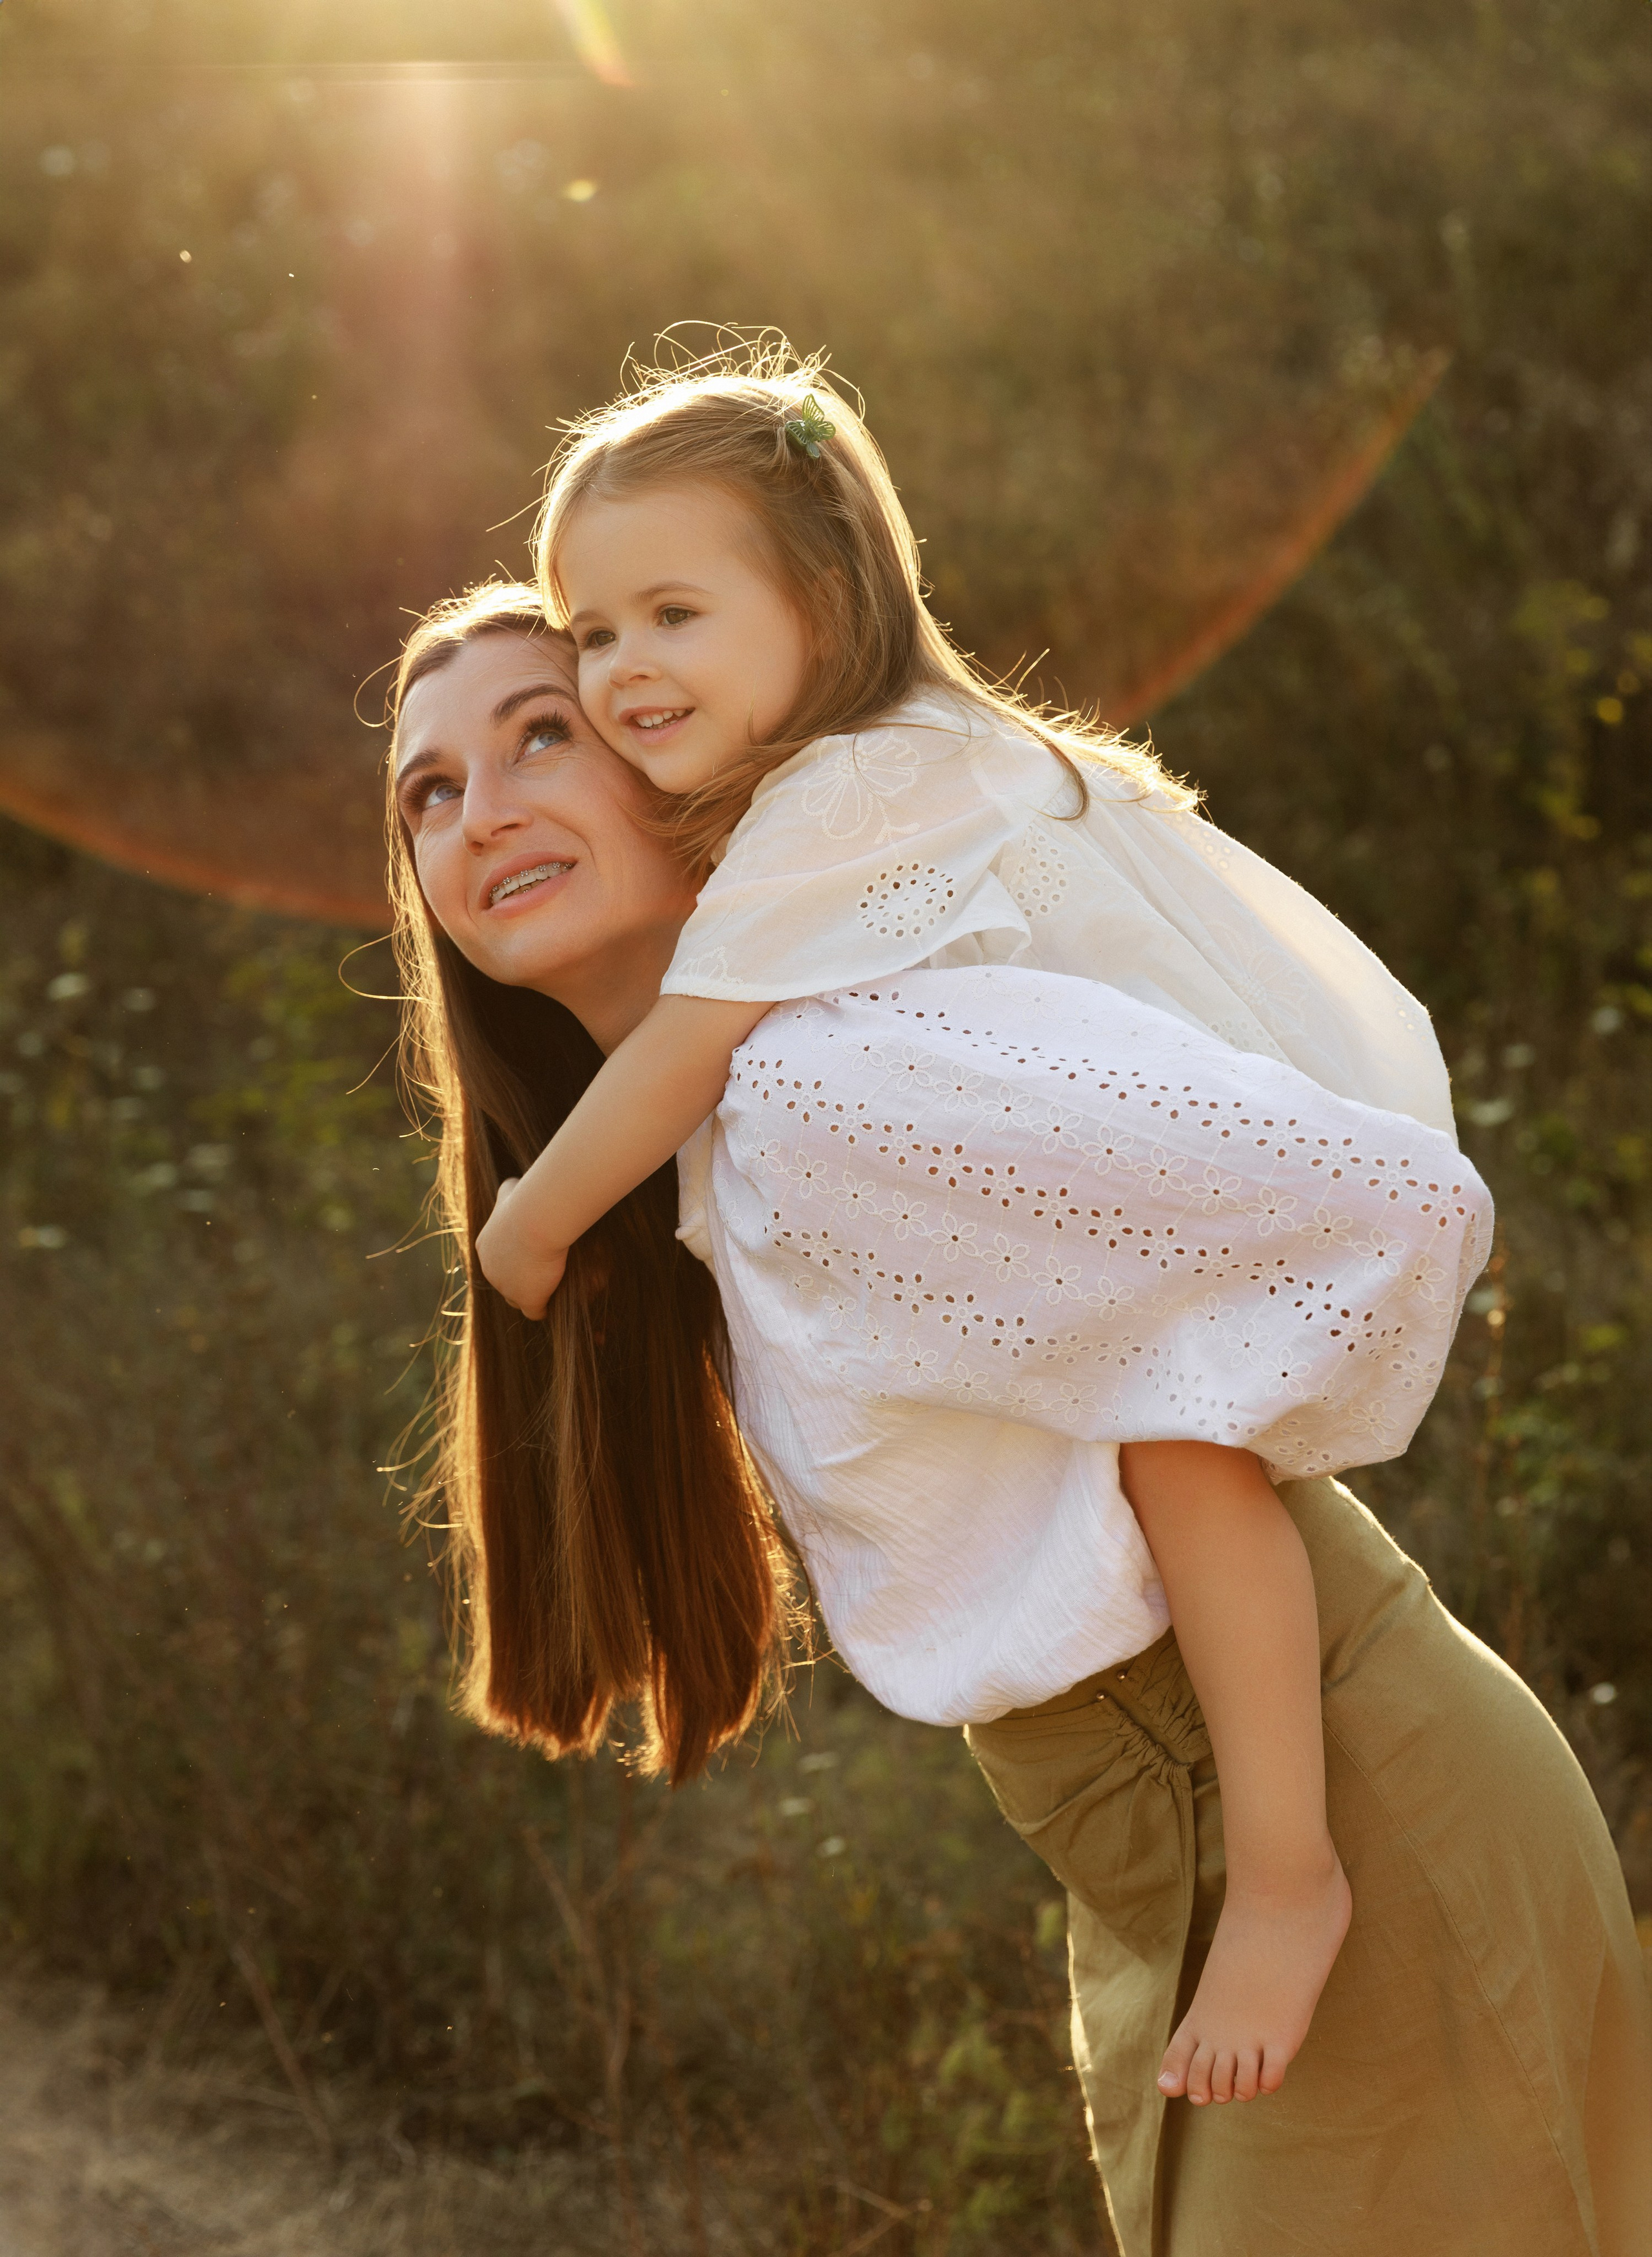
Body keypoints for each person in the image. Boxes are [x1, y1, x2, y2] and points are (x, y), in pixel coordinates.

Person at [385, 589, 1650, 2255]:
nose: (484, 812)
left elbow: (1339, 1220)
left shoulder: (817, 1092)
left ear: (670, 757)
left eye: (543, 730)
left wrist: (1279, 1853)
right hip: (1170, 1859)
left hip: (1326, 1818)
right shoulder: (704, 1150)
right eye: (428, 791)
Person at [470, 343, 1468, 2108]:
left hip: (1208, 1141)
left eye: (672, 614)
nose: (621, 668)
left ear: (828, 598)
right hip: (1155, 1133)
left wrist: (529, 1228)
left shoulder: (855, 788)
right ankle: (1282, 1861)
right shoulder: (885, 775)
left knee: (1181, 1434)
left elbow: (687, 1055)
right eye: (594, 628)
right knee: (1168, 1418)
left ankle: (1292, 1869)